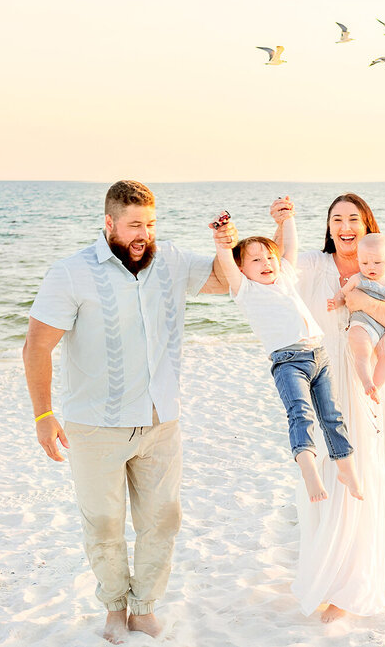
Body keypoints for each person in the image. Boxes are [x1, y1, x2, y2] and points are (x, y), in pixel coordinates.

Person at [22, 180, 235, 644]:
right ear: (109, 223)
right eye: (134, 225)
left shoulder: (173, 261)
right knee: (102, 522)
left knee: (163, 519)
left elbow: (226, 281)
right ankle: (114, 607)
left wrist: (227, 245)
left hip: (162, 421)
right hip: (95, 424)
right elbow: (37, 346)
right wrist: (43, 415)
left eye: (151, 224)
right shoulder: (71, 272)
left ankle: (144, 608)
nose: (144, 234)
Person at [272, 193, 385, 622]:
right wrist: (284, 222)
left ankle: (354, 583)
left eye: (353, 219)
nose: (345, 226)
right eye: (336, 219)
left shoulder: (382, 267)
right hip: (325, 382)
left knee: (367, 474)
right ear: (328, 228)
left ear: (367, 227)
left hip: (371, 385)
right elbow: (278, 268)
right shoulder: (315, 265)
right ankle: (332, 571)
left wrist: (362, 303)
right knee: (329, 474)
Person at [210, 210, 363, 503]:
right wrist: (223, 237)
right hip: (288, 362)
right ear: (242, 268)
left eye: (269, 257)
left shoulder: (285, 278)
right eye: (255, 260)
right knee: (301, 415)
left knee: (333, 415)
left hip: (319, 355)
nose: (266, 263)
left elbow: (290, 247)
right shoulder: (245, 290)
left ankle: (346, 468)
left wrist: (287, 218)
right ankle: (309, 473)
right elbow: (226, 261)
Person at [328, 232, 385, 402]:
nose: (370, 267)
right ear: (358, 261)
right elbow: (344, 293)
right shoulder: (357, 279)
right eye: (364, 262)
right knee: (361, 347)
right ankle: (366, 382)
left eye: (377, 263)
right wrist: (336, 302)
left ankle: (376, 388)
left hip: (384, 328)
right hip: (362, 322)